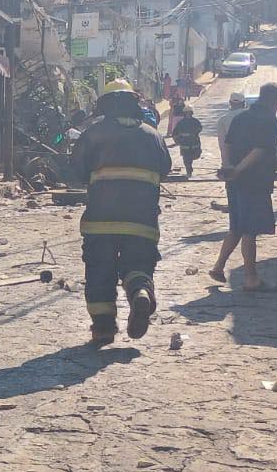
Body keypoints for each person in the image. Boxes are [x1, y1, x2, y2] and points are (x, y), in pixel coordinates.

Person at [71, 81, 173, 346]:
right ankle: (140, 292)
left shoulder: (93, 134)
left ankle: (103, 328)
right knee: (138, 265)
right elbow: (165, 168)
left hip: (100, 221)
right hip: (142, 221)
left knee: (99, 271)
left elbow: (75, 171)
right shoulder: (153, 135)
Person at [209, 83, 277, 292]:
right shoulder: (269, 120)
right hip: (254, 182)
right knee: (249, 230)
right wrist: (238, 170)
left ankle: (218, 267)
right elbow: (259, 151)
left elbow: (227, 144)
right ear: (276, 101)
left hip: (235, 182)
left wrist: (228, 168)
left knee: (237, 227)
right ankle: (251, 278)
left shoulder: (240, 118)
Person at [169, 101, 203, 178]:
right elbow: (175, 133)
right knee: (187, 159)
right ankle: (189, 170)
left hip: (194, 143)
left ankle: (189, 169)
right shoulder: (181, 122)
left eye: (189, 113)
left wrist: (194, 134)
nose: (188, 114)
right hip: (185, 144)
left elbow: (200, 128)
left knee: (192, 156)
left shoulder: (195, 121)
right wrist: (178, 140)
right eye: (187, 113)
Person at [215, 92, 246, 168]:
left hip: (233, 157)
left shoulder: (222, 120)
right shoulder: (253, 117)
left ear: (230, 103)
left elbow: (223, 144)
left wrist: (225, 164)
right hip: (252, 159)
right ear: (244, 103)